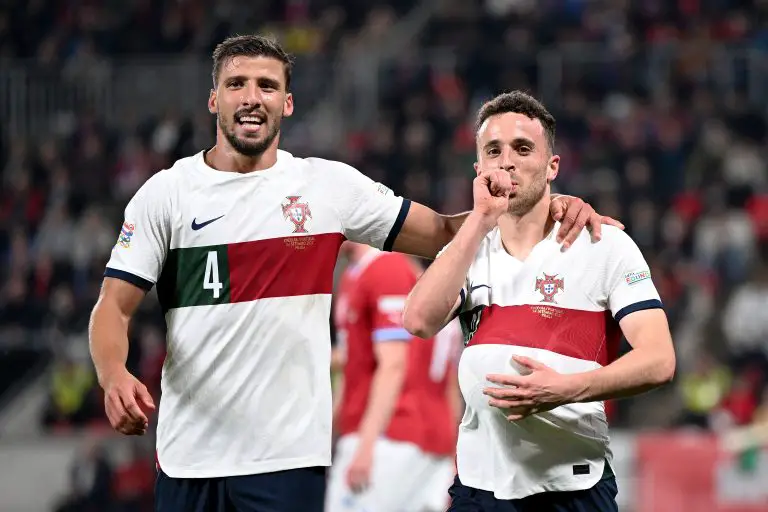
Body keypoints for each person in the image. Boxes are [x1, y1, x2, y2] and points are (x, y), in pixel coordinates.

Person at [88, 35, 619, 512]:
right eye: (236, 84)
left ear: (287, 103)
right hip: (188, 457)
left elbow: (440, 232)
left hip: (287, 460)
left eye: (267, 86)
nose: (252, 96)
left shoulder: (327, 188)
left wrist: (545, 207)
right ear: (214, 99)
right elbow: (112, 305)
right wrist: (113, 373)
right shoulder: (166, 195)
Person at [403, 91, 676, 512]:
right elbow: (418, 319)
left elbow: (659, 360)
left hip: (573, 489)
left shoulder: (605, 245)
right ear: (479, 169)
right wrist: (479, 219)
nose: (506, 161)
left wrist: (564, 389)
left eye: (522, 148)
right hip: (478, 488)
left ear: (552, 167)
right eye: (493, 151)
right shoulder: (469, 249)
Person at [325, 242, 463, 512]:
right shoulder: (409, 277)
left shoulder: (386, 269)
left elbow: (393, 365)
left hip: (389, 436)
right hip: (428, 437)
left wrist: (366, 446)